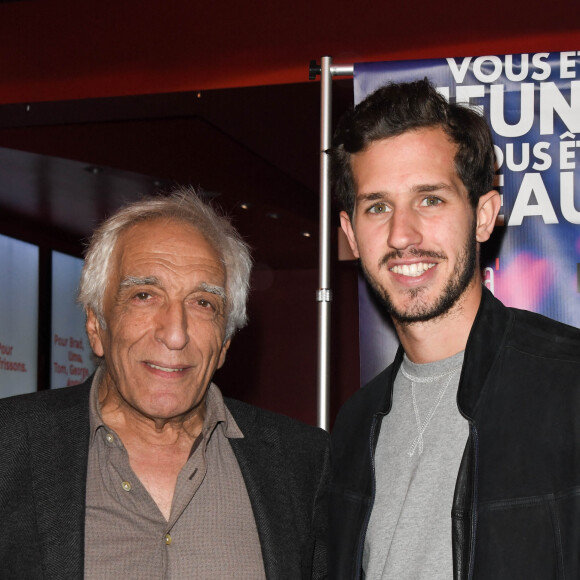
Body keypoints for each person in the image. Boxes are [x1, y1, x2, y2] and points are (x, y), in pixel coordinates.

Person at [0, 188, 329, 579]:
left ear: (224, 342)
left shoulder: (302, 464)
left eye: (203, 303)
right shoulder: (10, 446)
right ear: (96, 326)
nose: (175, 334)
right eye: (144, 295)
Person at [327, 79, 580, 579]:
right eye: (378, 206)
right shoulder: (353, 426)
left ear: (484, 216)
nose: (402, 234)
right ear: (352, 234)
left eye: (430, 200)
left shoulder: (570, 386)